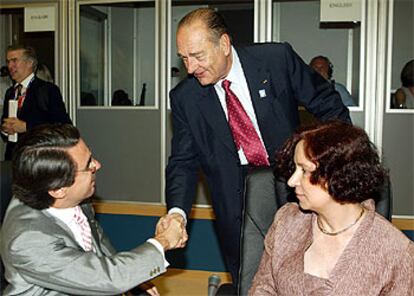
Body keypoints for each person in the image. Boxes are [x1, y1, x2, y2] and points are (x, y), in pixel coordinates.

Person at [160, 7, 351, 294]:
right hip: (237, 210)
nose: (190, 68)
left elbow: (329, 105)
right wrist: (176, 213)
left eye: (198, 56)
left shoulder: (276, 60)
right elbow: (183, 162)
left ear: (224, 44)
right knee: (249, 285)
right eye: (184, 58)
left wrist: (332, 164)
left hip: (295, 193)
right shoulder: (186, 98)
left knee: (309, 281)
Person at [0, 123, 188, 295]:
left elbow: (100, 250)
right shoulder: (29, 240)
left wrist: (135, 276)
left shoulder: (73, 199)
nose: (97, 165)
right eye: (88, 165)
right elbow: (109, 278)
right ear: (58, 189)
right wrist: (163, 241)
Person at [250, 120, 414, 295]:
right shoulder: (287, 221)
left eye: (304, 171)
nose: (291, 181)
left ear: (338, 175)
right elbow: (263, 287)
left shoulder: (397, 252)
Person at [1, 45, 72, 161]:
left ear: (30, 63)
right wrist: (5, 129)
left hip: (39, 159)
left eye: (14, 61)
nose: (10, 66)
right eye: (8, 61)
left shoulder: (47, 90)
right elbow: (4, 122)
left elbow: (63, 126)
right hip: (13, 158)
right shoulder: (10, 92)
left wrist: (27, 127)